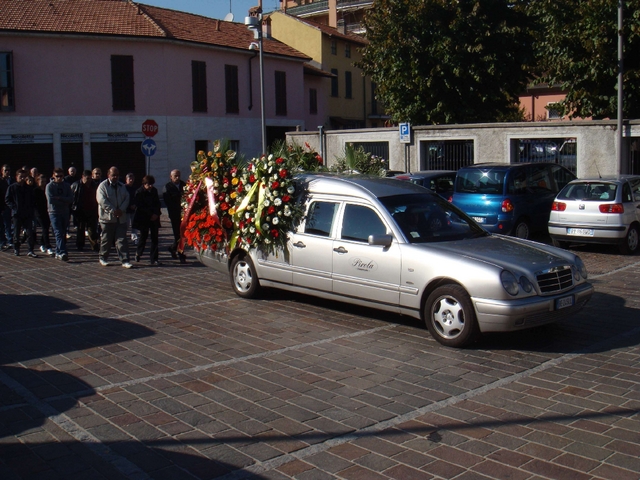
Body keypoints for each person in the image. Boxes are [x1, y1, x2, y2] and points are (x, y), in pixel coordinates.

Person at [96, 167, 132, 268]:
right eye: (113, 175)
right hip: (107, 218)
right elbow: (102, 200)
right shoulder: (102, 186)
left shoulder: (122, 186)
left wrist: (121, 209)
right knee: (106, 239)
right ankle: (103, 257)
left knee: (122, 240)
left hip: (121, 218)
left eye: (117, 175)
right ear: (108, 175)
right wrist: (113, 210)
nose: (115, 177)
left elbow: (126, 198)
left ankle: (125, 260)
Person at [4, 169, 37, 257]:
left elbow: (33, 199)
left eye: (24, 177)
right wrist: (14, 207)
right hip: (17, 214)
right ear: (16, 177)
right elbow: (7, 199)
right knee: (16, 233)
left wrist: (31, 208)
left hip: (27, 213)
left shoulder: (28, 188)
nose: (22, 179)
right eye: (20, 177)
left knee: (30, 232)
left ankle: (30, 250)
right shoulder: (12, 187)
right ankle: (16, 249)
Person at [46, 167, 74, 261]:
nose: (59, 178)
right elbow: (51, 200)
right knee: (58, 232)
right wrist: (63, 200)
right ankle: (63, 252)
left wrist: (59, 198)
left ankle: (58, 251)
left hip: (64, 212)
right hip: (54, 212)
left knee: (62, 232)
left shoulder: (66, 185)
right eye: (57, 176)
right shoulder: (50, 186)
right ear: (53, 176)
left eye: (61, 176)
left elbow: (70, 198)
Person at [133, 175, 161, 265]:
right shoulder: (139, 192)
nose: (151, 186)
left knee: (155, 238)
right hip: (144, 218)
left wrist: (156, 214)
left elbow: (157, 203)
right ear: (144, 184)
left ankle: (154, 258)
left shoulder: (154, 191)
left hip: (154, 218)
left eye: (152, 184)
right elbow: (140, 206)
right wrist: (150, 214)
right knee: (143, 237)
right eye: (149, 184)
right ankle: (139, 253)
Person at [71, 170, 99, 251]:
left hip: (92, 210)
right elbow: (72, 198)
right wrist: (74, 209)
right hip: (80, 210)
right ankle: (80, 245)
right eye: (87, 178)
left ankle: (94, 245)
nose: (89, 180)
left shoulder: (94, 185)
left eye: (90, 178)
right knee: (80, 229)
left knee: (92, 229)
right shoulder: (76, 185)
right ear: (82, 177)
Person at [163, 169, 186, 263]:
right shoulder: (167, 187)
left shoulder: (183, 185)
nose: (177, 178)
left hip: (184, 214)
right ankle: (181, 255)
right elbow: (168, 202)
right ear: (171, 177)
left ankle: (173, 248)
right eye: (175, 176)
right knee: (178, 235)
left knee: (183, 235)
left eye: (178, 175)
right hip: (174, 214)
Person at [34, 174, 54, 256]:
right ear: (38, 181)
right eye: (42, 181)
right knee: (45, 228)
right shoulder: (35, 191)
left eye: (45, 181)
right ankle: (48, 246)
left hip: (47, 211)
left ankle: (42, 243)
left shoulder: (47, 189)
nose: (43, 183)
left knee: (46, 228)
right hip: (39, 212)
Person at [1, 164, 13, 249]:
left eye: (8, 170)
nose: (7, 172)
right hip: (2, 205)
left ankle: (10, 241)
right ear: (2, 171)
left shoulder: (12, 180)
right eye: (5, 170)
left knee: (9, 224)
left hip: (10, 205)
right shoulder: (1, 181)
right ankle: (2, 242)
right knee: (2, 225)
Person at [125, 172, 138, 245]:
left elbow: (137, 198)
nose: (131, 180)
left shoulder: (135, 188)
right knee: (126, 225)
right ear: (126, 180)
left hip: (134, 209)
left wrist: (135, 205)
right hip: (126, 209)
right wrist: (129, 205)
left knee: (134, 225)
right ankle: (124, 238)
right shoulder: (124, 188)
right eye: (129, 179)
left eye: (132, 179)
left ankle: (134, 238)